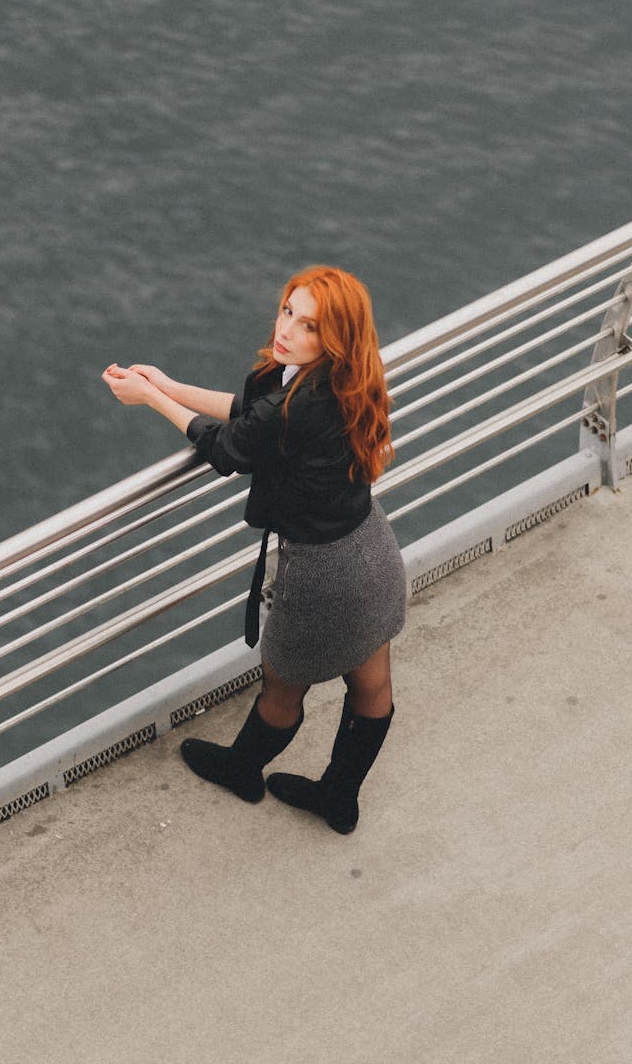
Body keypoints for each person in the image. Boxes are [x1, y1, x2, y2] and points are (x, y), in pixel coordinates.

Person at [102, 266, 406, 833]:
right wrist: (166, 384)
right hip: (371, 547)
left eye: (309, 325)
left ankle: (242, 769)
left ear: (333, 338)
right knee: (372, 682)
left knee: (281, 685)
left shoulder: (301, 402)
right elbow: (248, 410)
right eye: (289, 310)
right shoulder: (342, 376)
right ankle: (340, 798)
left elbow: (228, 448)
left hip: (323, 572)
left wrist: (150, 399)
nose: (288, 328)